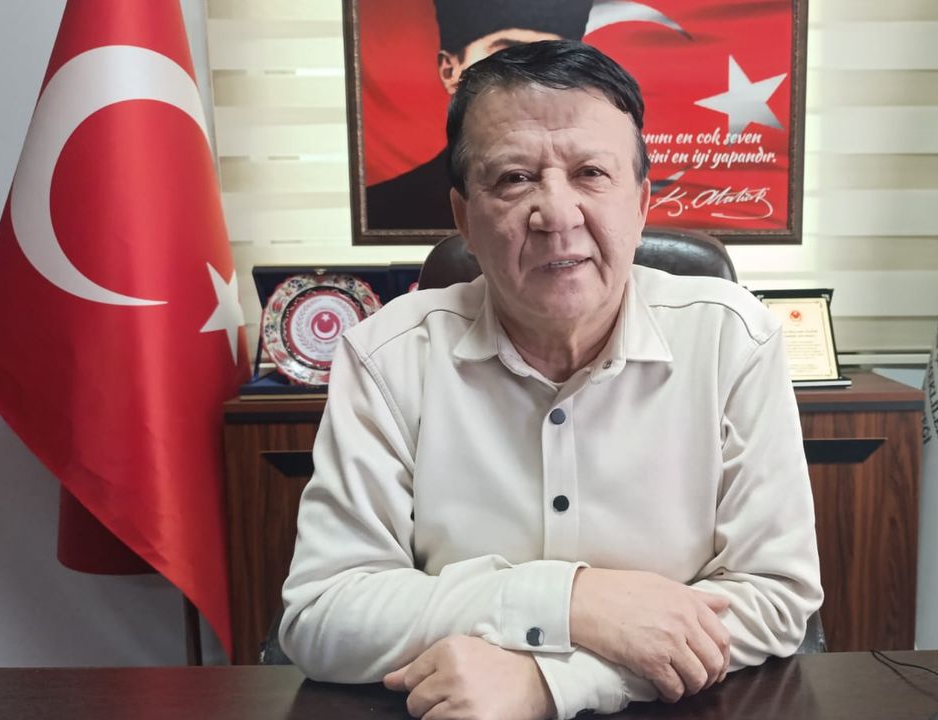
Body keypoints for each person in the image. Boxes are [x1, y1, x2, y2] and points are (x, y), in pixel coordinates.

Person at [282, 40, 822, 720]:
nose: (557, 215)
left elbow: (775, 595)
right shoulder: (386, 357)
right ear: (463, 218)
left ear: (641, 203)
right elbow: (324, 612)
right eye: (514, 179)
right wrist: (571, 601)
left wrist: (551, 683)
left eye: (591, 173)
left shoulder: (732, 339)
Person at [365, 0, 593, 230]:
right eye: (507, 57)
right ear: (450, 71)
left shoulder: (599, 195)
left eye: (552, 64)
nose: (535, 82)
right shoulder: (385, 206)